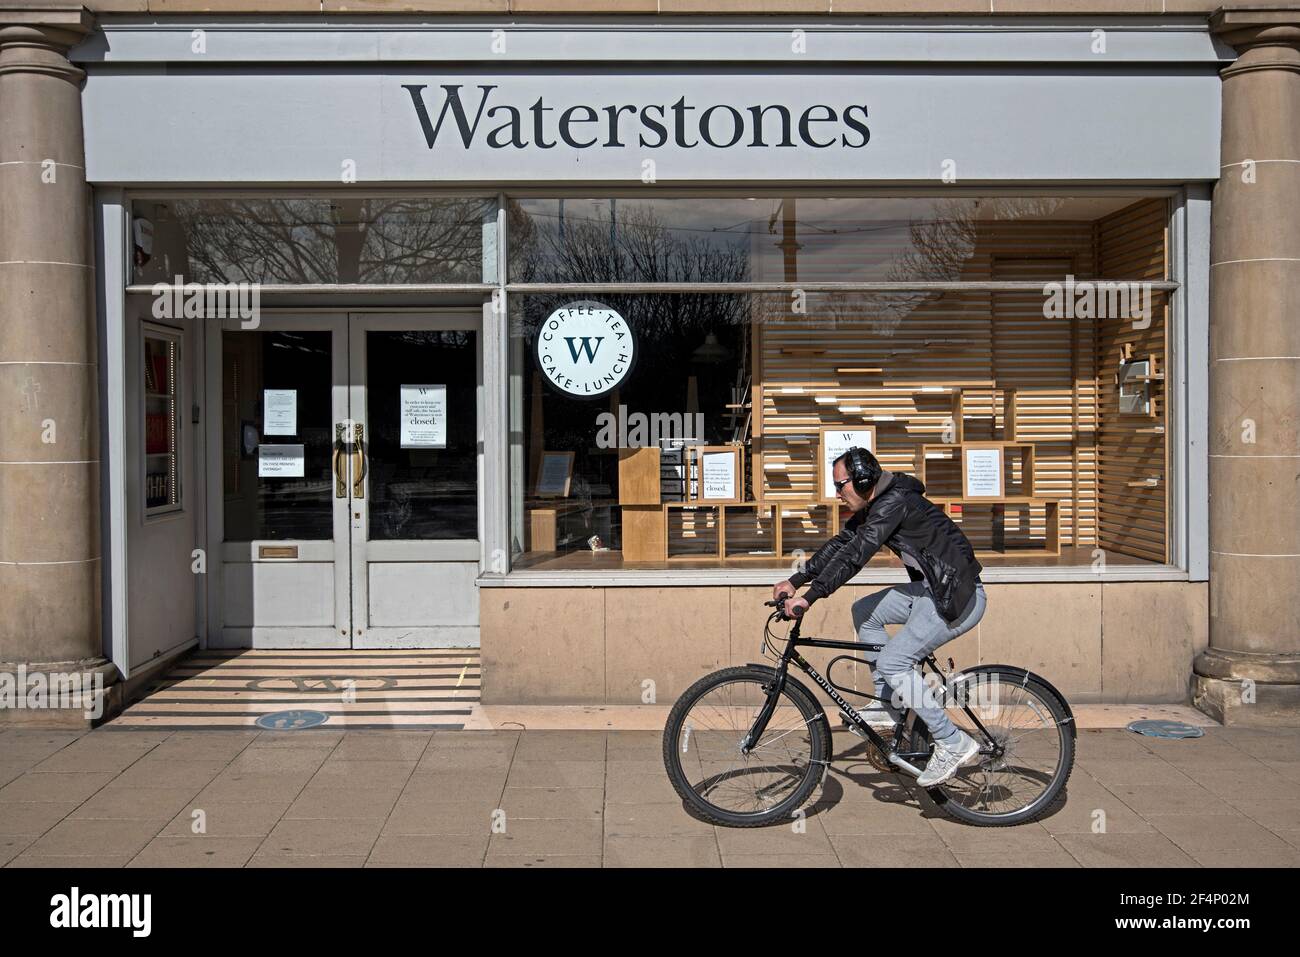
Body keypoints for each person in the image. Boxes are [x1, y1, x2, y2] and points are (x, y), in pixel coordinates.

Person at [772, 447, 987, 787]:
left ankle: (951, 740)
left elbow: (857, 555)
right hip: (934, 591)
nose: (837, 493)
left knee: (893, 662)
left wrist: (810, 597)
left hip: (958, 598)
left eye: (840, 486)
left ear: (862, 480)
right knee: (864, 611)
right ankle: (889, 704)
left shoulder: (893, 503)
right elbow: (842, 543)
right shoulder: (878, 503)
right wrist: (796, 580)